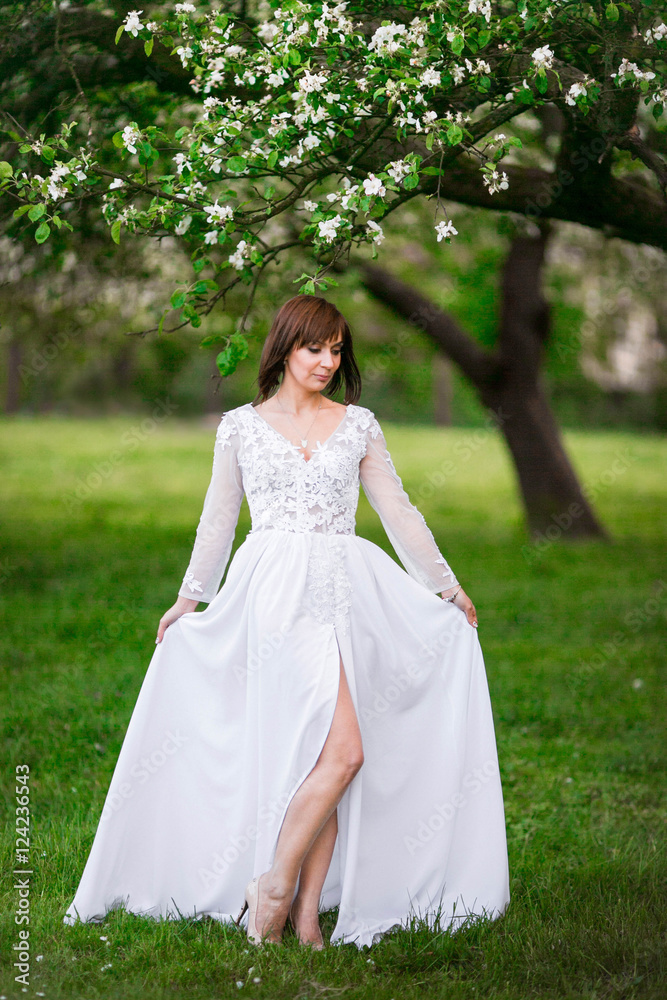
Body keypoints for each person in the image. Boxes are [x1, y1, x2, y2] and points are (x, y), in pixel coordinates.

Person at [64, 294, 509, 950]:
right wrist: (191, 598)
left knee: (327, 755)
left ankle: (301, 915)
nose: (327, 361)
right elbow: (218, 519)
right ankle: (273, 886)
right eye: (314, 348)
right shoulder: (240, 428)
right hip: (274, 594)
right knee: (343, 751)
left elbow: (398, 512)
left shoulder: (357, 425)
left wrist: (445, 586)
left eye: (336, 350)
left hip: (346, 592)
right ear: (284, 347)